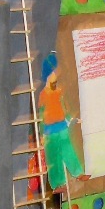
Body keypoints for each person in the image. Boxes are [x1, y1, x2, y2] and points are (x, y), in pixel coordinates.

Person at [38, 52, 85, 192]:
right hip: (49, 132)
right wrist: (41, 135)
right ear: (48, 75)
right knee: (54, 157)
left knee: (68, 150)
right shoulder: (43, 96)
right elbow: (41, 117)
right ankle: (58, 184)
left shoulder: (59, 92)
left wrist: (72, 119)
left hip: (62, 127)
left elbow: (64, 109)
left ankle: (78, 173)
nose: (56, 76)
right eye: (54, 73)